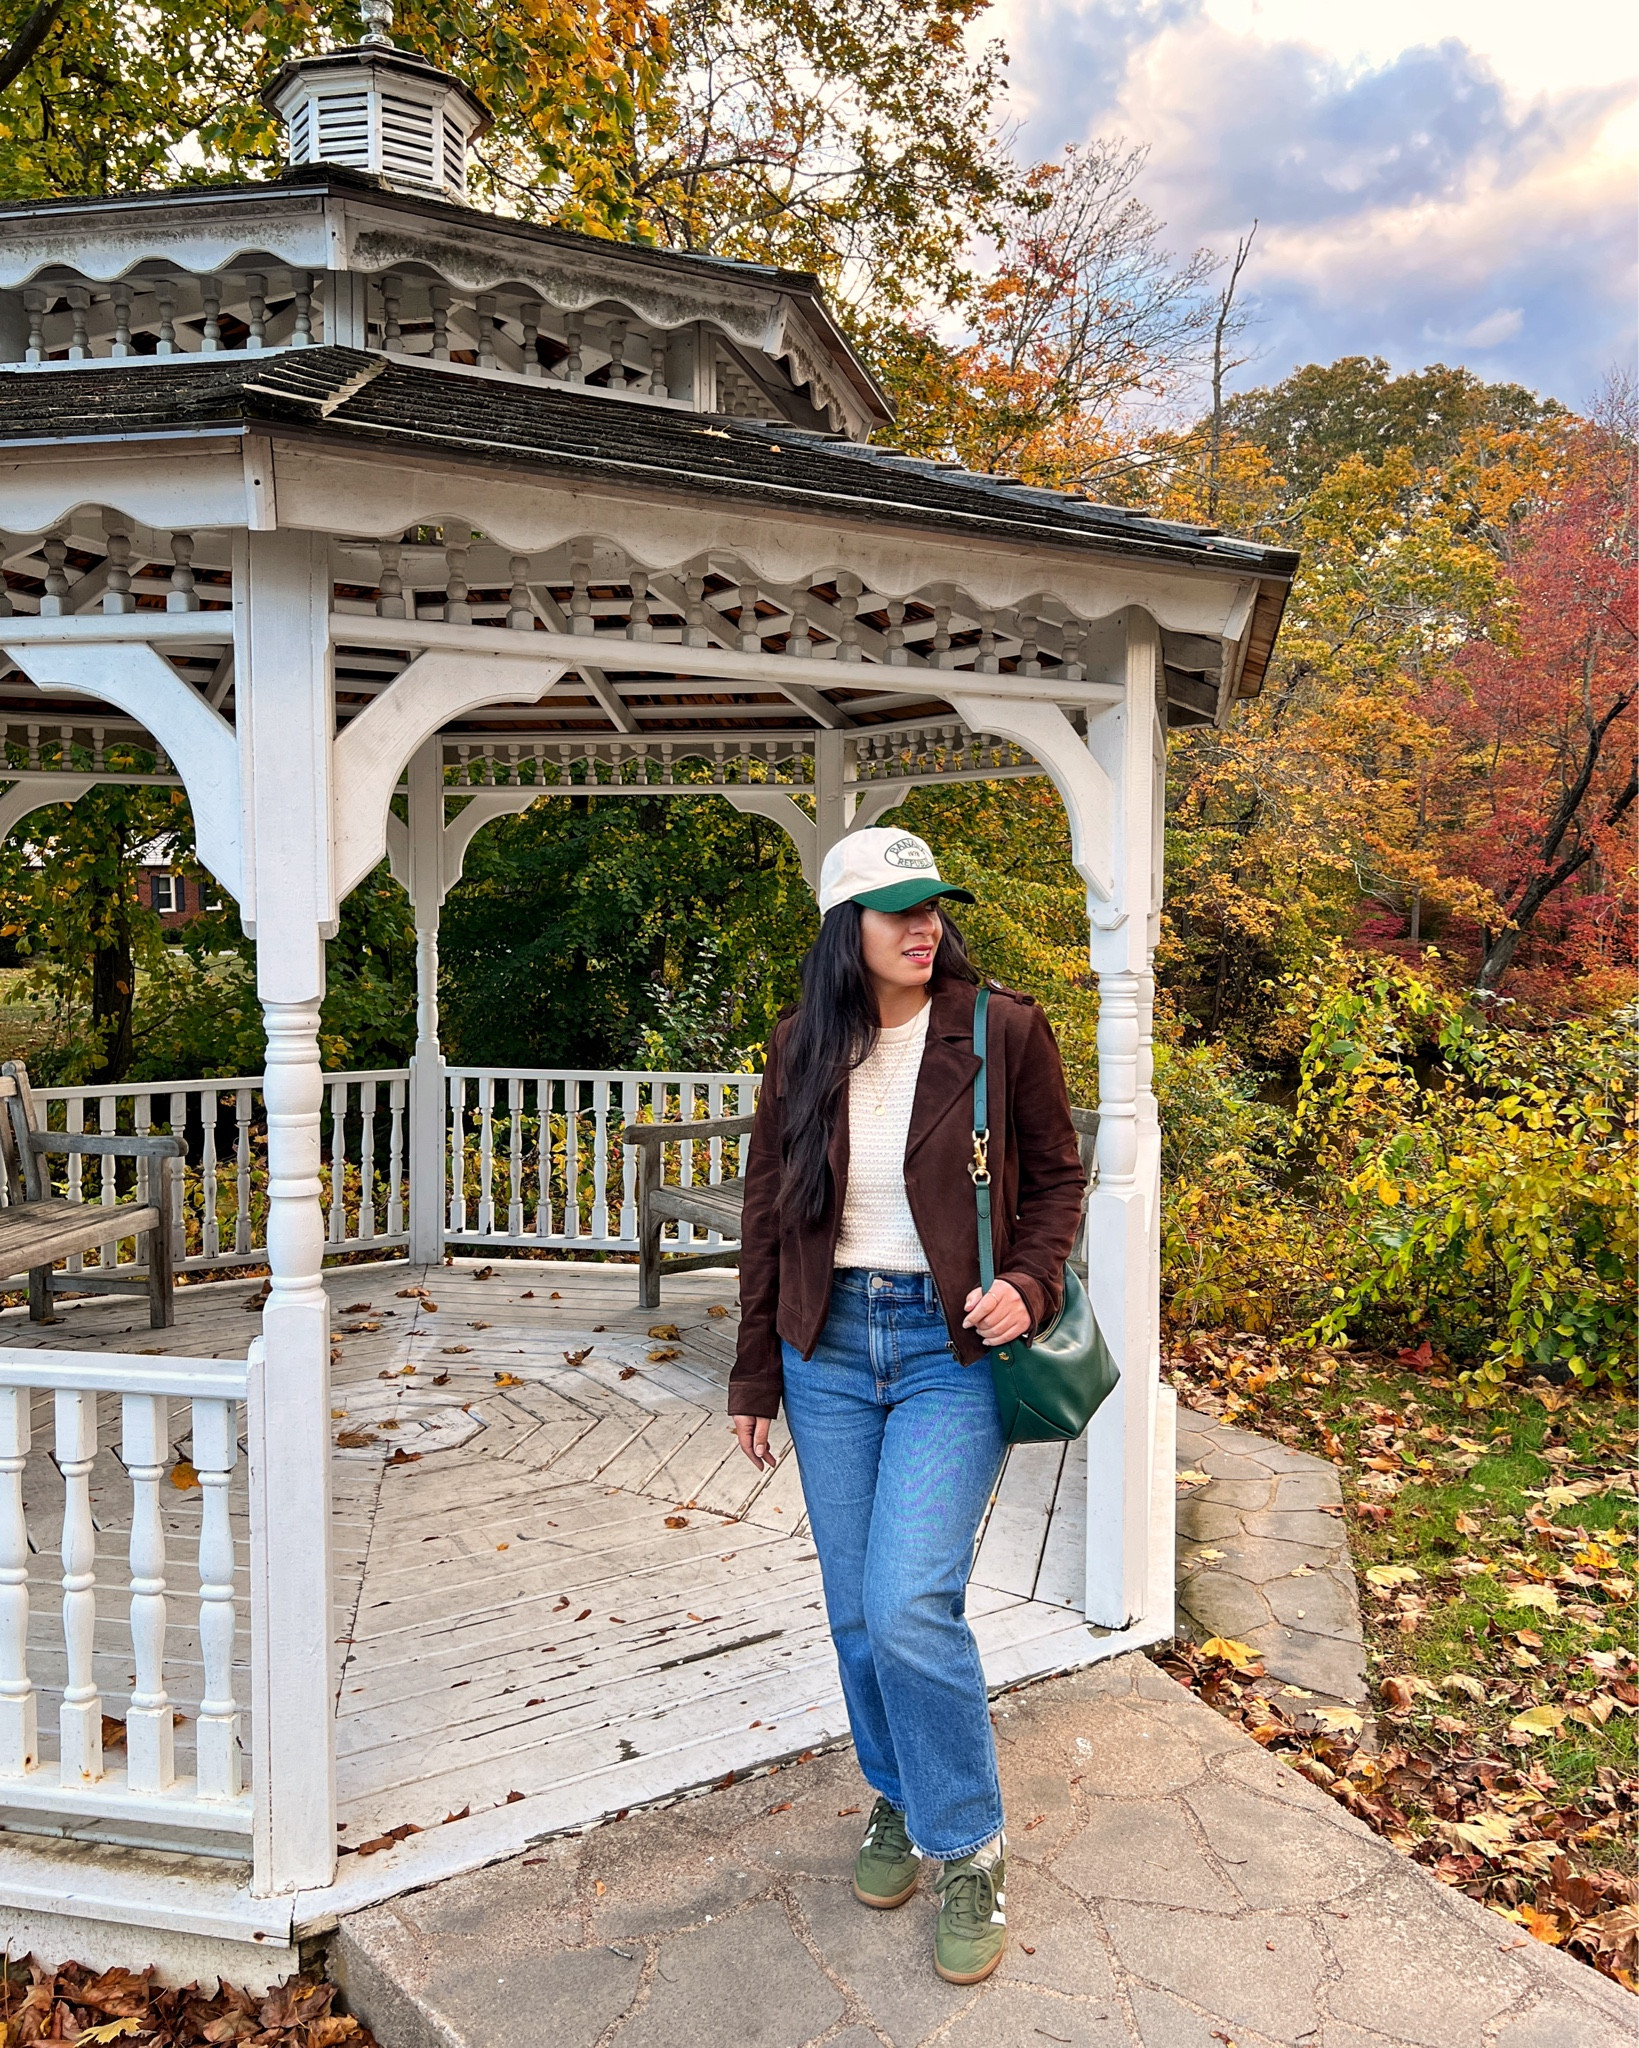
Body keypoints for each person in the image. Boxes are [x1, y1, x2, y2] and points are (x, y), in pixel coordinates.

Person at [728, 826, 1086, 1984]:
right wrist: (753, 1371)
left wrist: (1028, 1285)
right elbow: (770, 1215)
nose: (922, 924)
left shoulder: (1000, 1031)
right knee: (851, 1609)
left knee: (907, 1602)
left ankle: (967, 1840)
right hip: (827, 1351)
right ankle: (897, 1791)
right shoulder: (800, 1046)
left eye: (932, 905)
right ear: (848, 930)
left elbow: (1058, 1179)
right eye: (897, 910)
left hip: (948, 1353)